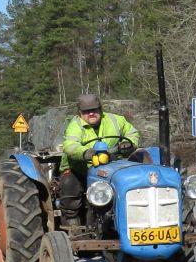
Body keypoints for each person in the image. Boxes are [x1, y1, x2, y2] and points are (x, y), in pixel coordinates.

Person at [58, 94, 140, 225]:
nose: (91, 113)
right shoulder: (75, 125)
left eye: (94, 110)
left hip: (111, 167)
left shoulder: (115, 120)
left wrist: (129, 144)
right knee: (69, 185)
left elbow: (132, 132)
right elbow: (70, 145)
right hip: (80, 168)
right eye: (86, 111)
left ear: (100, 109)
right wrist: (85, 153)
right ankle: (72, 223)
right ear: (79, 113)